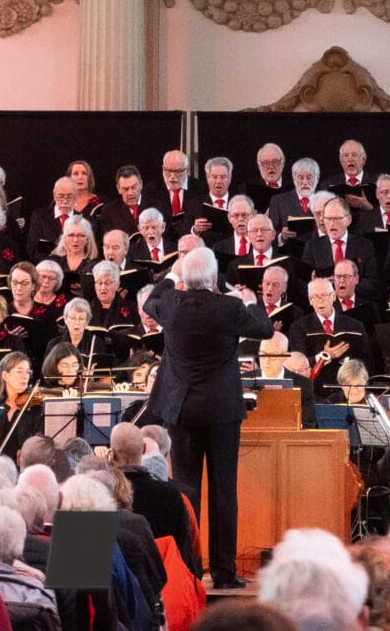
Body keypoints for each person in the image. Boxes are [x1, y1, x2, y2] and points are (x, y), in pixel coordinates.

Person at [142, 248, 275, 588]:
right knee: (223, 491)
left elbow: (149, 301)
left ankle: (189, 570)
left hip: (182, 411)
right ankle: (224, 574)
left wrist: (173, 274)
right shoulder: (229, 308)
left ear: (185, 280)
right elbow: (266, 328)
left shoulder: (171, 303)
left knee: (186, 492)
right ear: (215, 280)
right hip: (221, 412)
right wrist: (246, 299)